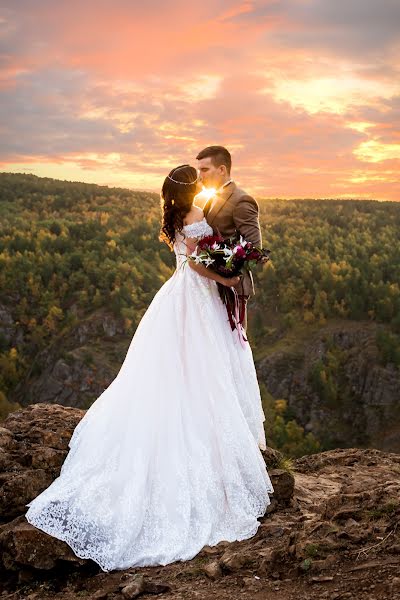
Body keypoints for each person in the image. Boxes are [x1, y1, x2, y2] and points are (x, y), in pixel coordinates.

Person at [24, 164, 274, 573]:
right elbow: (196, 265)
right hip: (197, 293)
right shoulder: (194, 216)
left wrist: (223, 261)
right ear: (193, 189)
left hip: (177, 296)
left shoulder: (176, 217)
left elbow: (190, 256)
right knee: (204, 369)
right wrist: (227, 279)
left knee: (178, 370)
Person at [196, 145, 267, 332]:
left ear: (222, 169)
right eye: (198, 170)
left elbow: (254, 249)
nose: (200, 175)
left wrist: (224, 267)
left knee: (232, 347)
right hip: (214, 285)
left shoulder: (241, 200)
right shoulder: (213, 197)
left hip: (232, 288)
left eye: (204, 169)